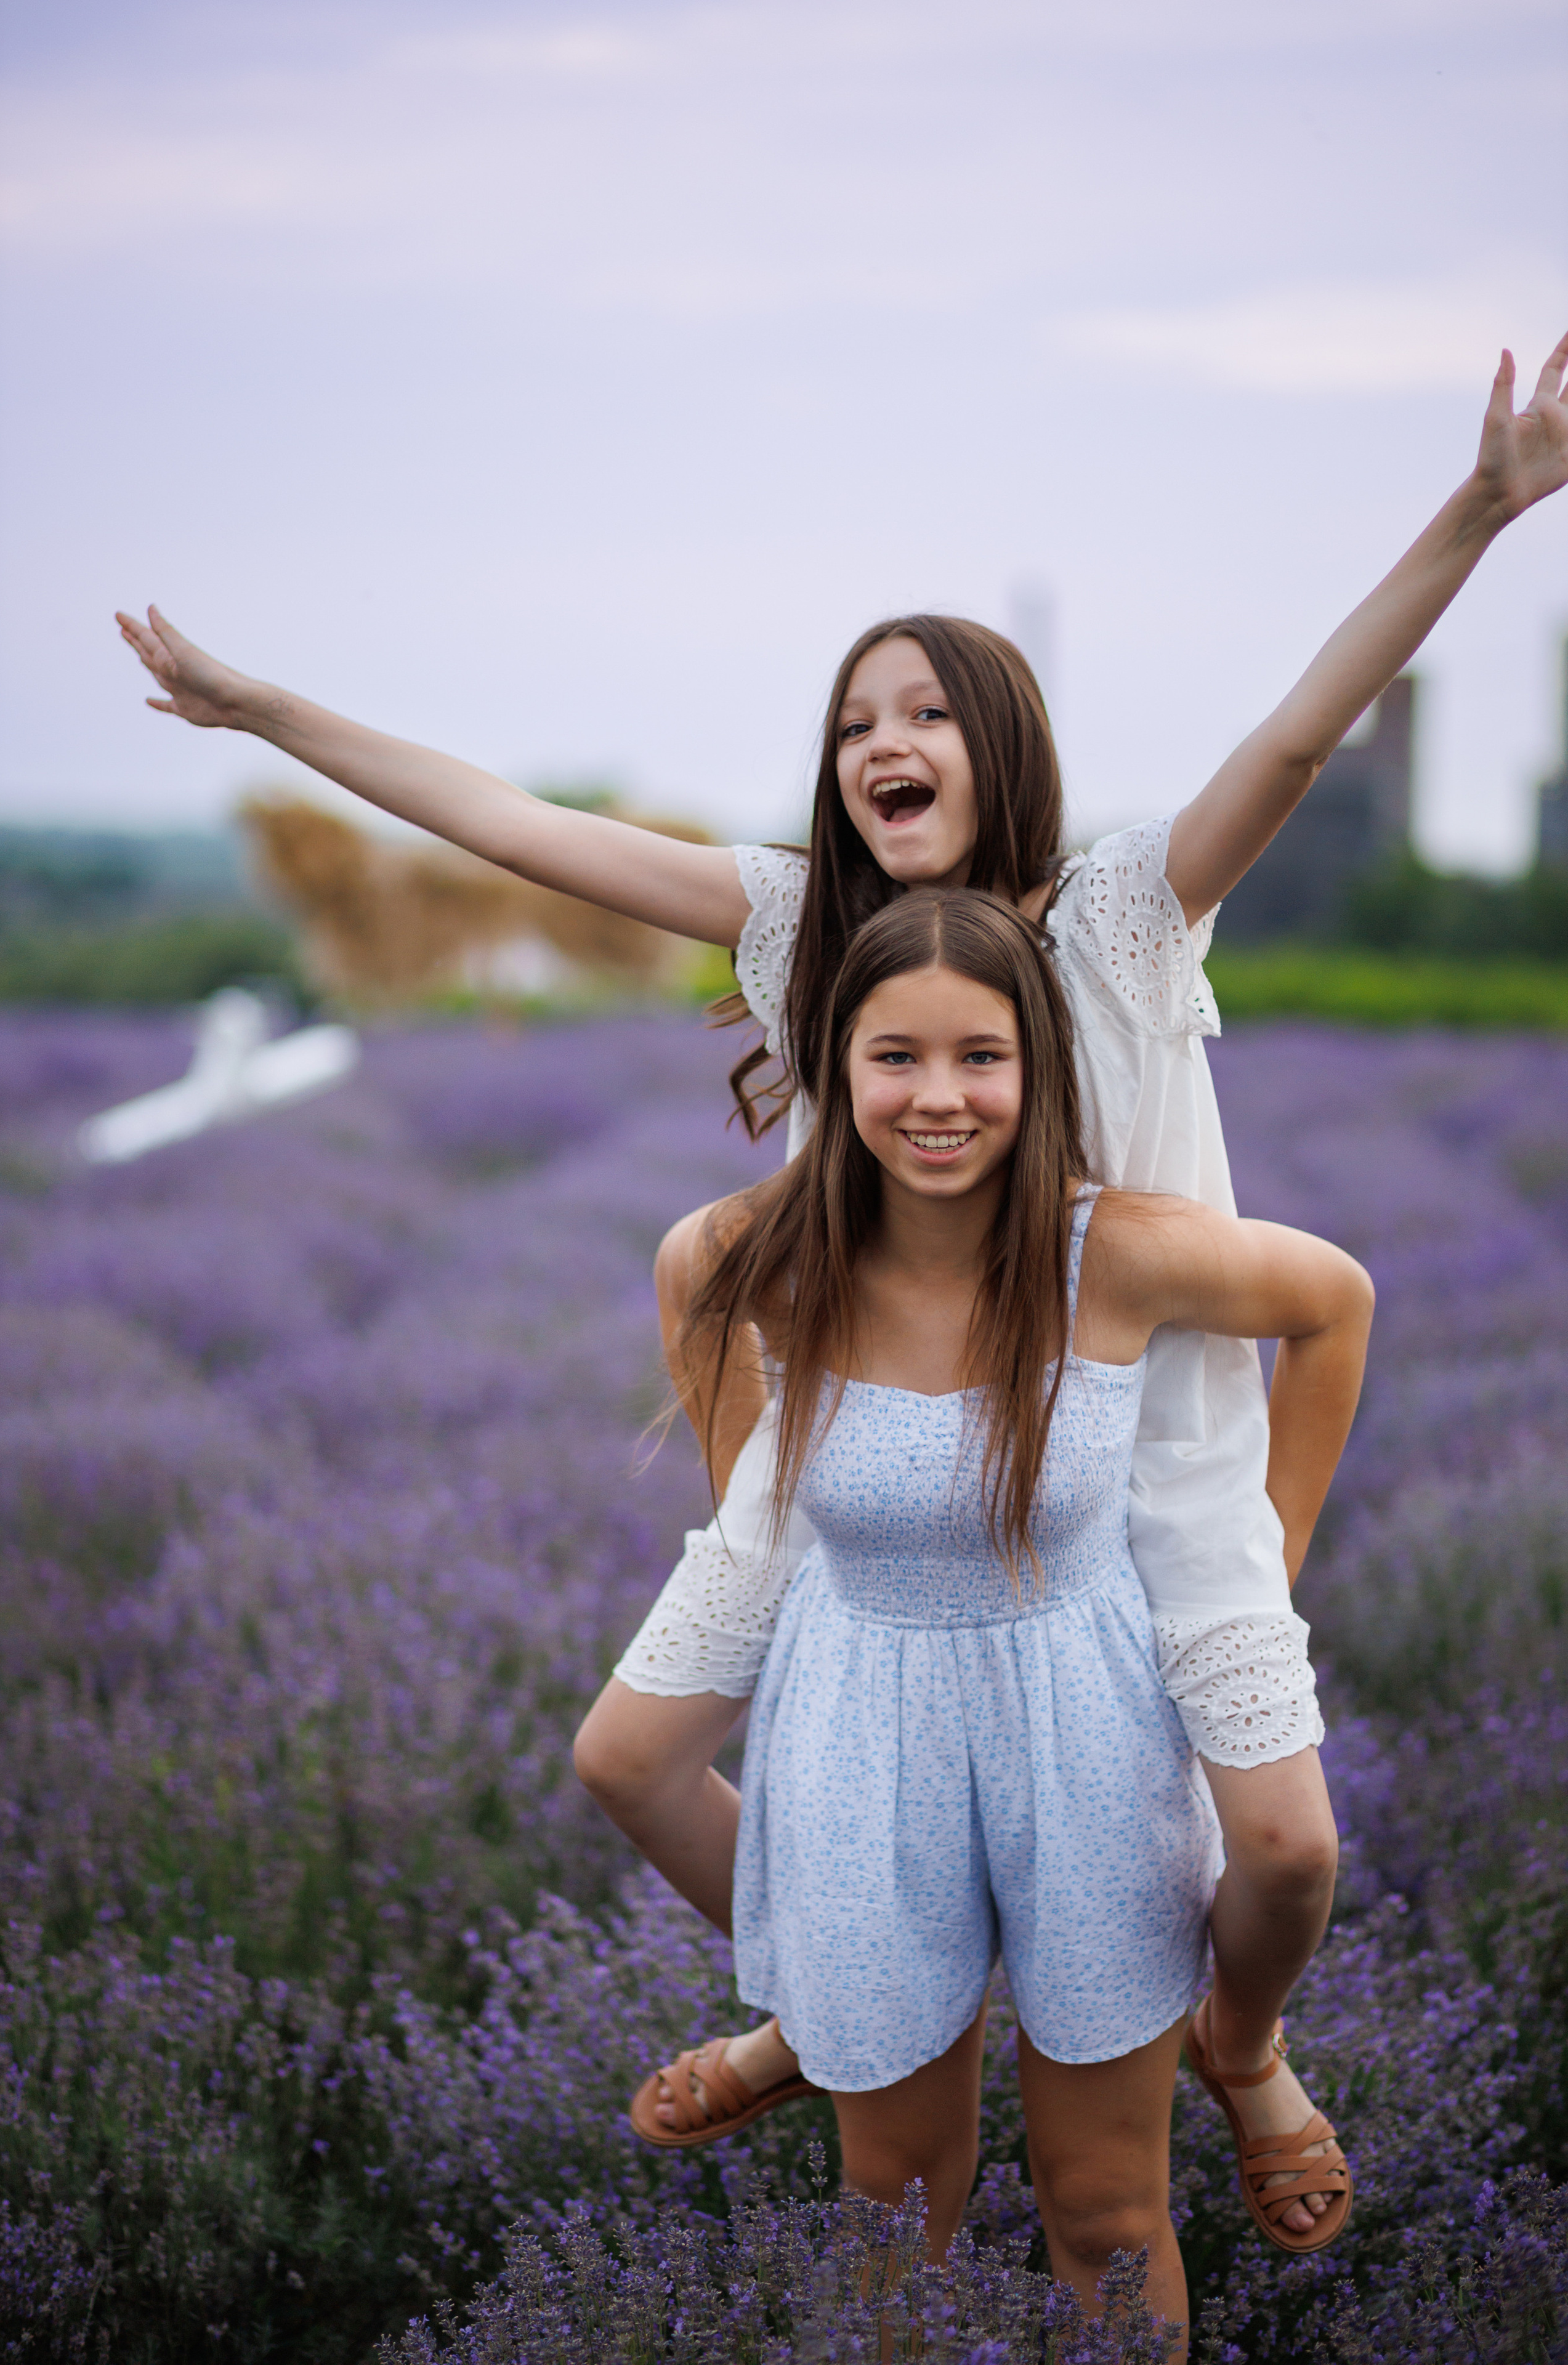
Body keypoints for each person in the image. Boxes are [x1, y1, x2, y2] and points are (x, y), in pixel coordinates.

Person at [116, 332, 1568, 2244]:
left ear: (1001, 745)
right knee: (634, 1754)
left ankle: (1240, 2038)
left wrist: (1480, 508)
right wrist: (261, 713)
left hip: (1147, 1465)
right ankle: (847, 1995)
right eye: (858, 719)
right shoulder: (805, 921)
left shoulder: (1127, 915)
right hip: (873, 1452)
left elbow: (1300, 737)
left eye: (929, 712)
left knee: (1285, 1851)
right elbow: (516, 828)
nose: (887, 742)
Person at [657, 886, 1370, 2344]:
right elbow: (700, 1323)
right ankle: (804, 2020)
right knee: (892, 2206)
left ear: (1038, 1069)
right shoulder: (768, 1255)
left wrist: (1269, 1555)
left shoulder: (1111, 1248)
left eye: (980, 1056)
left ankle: (1236, 2055)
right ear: (836, 1069)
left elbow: (1332, 1302)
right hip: (861, 1749)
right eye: (895, 1056)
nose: (939, 1096)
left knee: (1103, 2211)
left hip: (1085, 1747)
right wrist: (771, 1531)